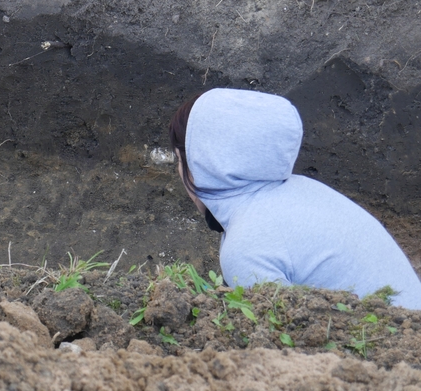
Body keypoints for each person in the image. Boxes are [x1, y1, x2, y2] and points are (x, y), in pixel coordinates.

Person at [169, 87, 421, 309]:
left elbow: (276, 354)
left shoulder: (248, 245)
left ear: (200, 164)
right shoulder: (305, 190)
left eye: (179, 161)